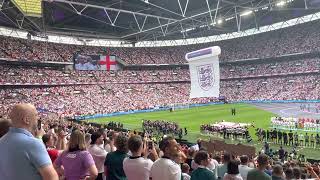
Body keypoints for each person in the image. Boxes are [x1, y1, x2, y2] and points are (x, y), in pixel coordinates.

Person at [0, 103, 58, 180]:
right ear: (26, 120)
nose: (38, 119)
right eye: (36, 115)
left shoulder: (1, 141)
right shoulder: (33, 143)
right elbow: (52, 178)